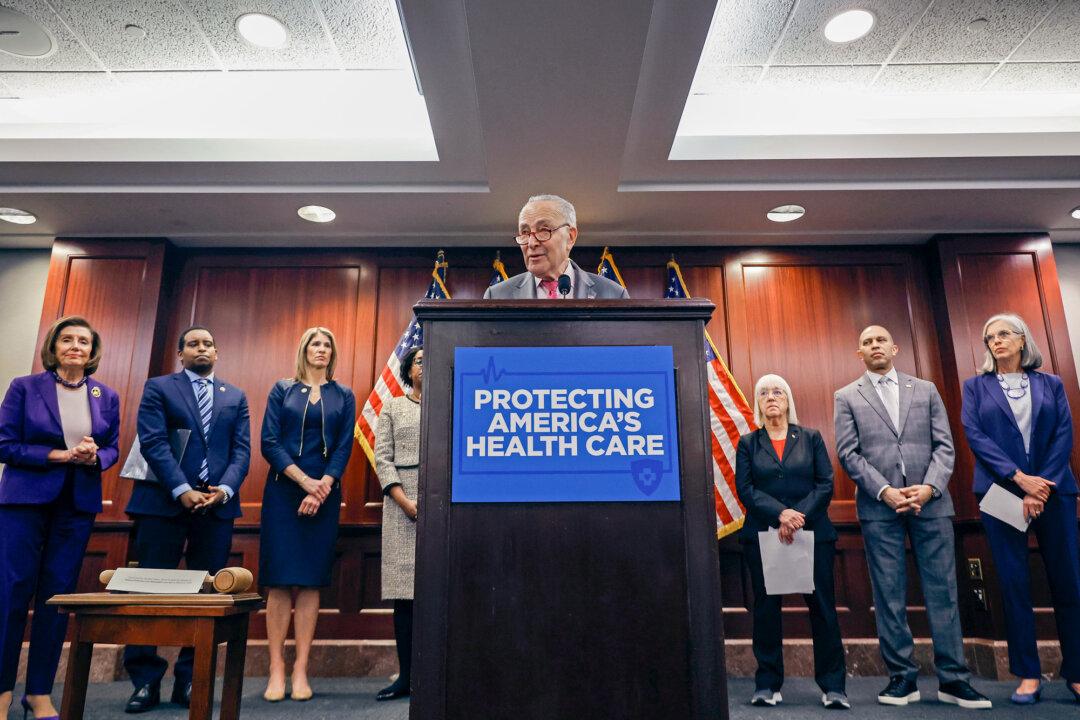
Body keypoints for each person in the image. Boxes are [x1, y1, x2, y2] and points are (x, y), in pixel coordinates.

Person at [834, 325, 991, 709]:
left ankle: (954, 680)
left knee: (943, 593)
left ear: (895, 347)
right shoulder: (846, 396)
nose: (874, 345)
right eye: (867, 342)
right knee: (888, 595)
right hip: (878, 506)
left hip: (931, 504)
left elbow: (945, 446)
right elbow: (848, 453)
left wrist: (930, 488)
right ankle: (902, 678)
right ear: (859, 353)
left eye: (880, 340)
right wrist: (885, 492)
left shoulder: (926, 389)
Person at [122, 326, 250, 713]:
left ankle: (190, 678)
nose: (202, 348)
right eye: (193, 343)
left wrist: (224, 490)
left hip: (217, 507)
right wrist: (181, 488)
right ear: (180, 354)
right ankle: (145, 681)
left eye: (208, 343)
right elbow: (153, 442)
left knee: (208, 596)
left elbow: (241, 451)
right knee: (148, 592)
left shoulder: (235, 396)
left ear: (217, 352)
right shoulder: (160, 387)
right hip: (163, 503)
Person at [0, 316, 120, 720]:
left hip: (76, 505)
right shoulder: (25, 387)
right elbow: (5, 444)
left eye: (83, 341)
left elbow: (113, 448)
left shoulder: (107, 395)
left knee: (57, 596)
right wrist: (58, 456)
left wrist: (93, 455)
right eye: (66, 339)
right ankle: (1, 691)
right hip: (24, 503)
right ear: (53, 347)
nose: (75, 346)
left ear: (92, 351)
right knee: (12, 594)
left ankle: (38, 693)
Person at [961, 313, 1080, 705]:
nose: (996, 341)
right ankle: (1028, 674)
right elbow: (975, 436)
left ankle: (1077, 672)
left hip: (1052, 491)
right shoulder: (976, 387)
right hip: (1001, 493)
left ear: (1022, 339)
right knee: (1013, 583)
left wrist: (1040, 483)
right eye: (989, 336)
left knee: (1069, 582)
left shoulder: (1052, 384)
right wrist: (1019, 479)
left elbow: (1064, 432)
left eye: (1004, 334)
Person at [734, 374, 849, 710]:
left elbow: (825, 483)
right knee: (766, 612)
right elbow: (746, 489)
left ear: (788, 400)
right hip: (764, 535)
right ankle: (767, 684)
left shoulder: (811, 438)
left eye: (778, 391)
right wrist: (781, 515)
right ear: (758, 402)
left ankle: (833, 687)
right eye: (765, 392)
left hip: (813, 534)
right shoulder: (748, 443)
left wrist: (797, 516)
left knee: (824, 611)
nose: (772, 397)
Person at [259, 327, 355, 702]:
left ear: (332, 353)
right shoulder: (282, 389)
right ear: (304, 349)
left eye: (327, 345)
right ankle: (276, 667)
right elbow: (269, 441)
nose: (321, 349)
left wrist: (323, 486)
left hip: (325, 493)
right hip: (285, 490)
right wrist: (304, 482)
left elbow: (344, 446)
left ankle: (301, 667)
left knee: (311, 580)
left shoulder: (342, 394)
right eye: (315, 344)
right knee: (280, 580)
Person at [373, 346, 423, 701]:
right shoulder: (392, 406)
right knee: (406, 598)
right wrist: (405, 501)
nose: (427, 364)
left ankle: (434, 672)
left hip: (443, 506)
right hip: (402, 505)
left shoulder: (453, 400)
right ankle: (405, 676)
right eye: (420, 360)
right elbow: (383, 458)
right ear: (408, 368)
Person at [482, 194, 629, 299]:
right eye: (525, 232)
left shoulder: (613, 294)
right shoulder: (497, 296)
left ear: (570, 236)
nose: (532, 243)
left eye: (544, 230)